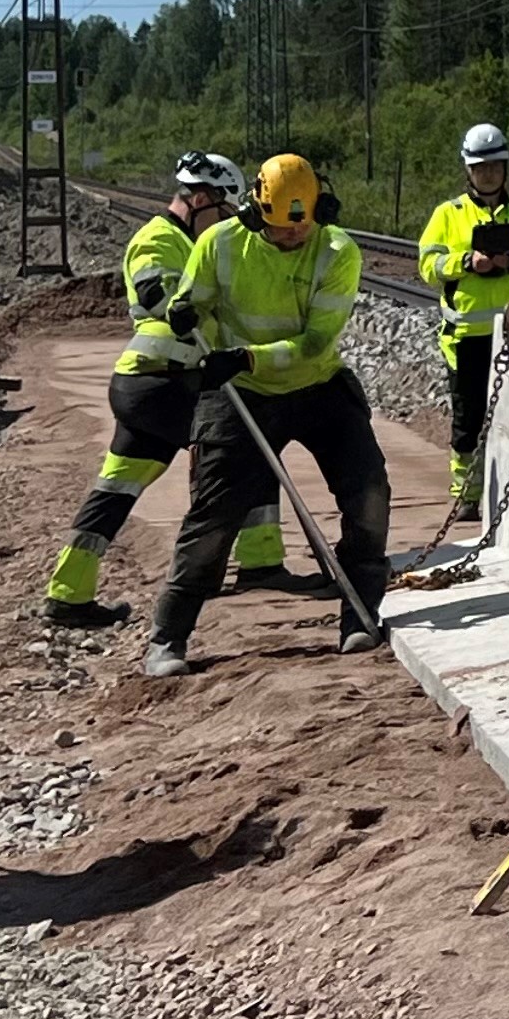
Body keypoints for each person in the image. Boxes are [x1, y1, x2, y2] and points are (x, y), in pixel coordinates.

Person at [145, 154, 389, 675]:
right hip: (242, 391)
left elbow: (316, 342)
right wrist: (184, 311)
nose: (289, 240)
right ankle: (168, 639)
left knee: (368, 493)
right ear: (256, 213)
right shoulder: (220, 244)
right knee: (213, 513)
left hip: (317, 384)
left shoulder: (337, 251)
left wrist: (249, 355)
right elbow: (194, 303)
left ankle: (360, 618)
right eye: (278, 231)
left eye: (298, 231)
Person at [38, 151, 269, 628]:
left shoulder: (194, 240)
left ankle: (67, 593)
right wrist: (179, 304)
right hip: (163, 382)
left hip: (152, 387)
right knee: (244, 449)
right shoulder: (158, 238)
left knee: (116, 490)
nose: (226, 222)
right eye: (223, 212)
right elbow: (155, 291)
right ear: (201, 198)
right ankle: (256, 563)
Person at [415, 123, 509, 519]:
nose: (488, 173)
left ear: (505, 167)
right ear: (468, 171)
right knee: (469, 418)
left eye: (495, 166)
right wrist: (466, 263)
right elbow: (427, 264)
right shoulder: (448, 214)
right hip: (468, 336)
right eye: (481, 167)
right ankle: (467, 495)